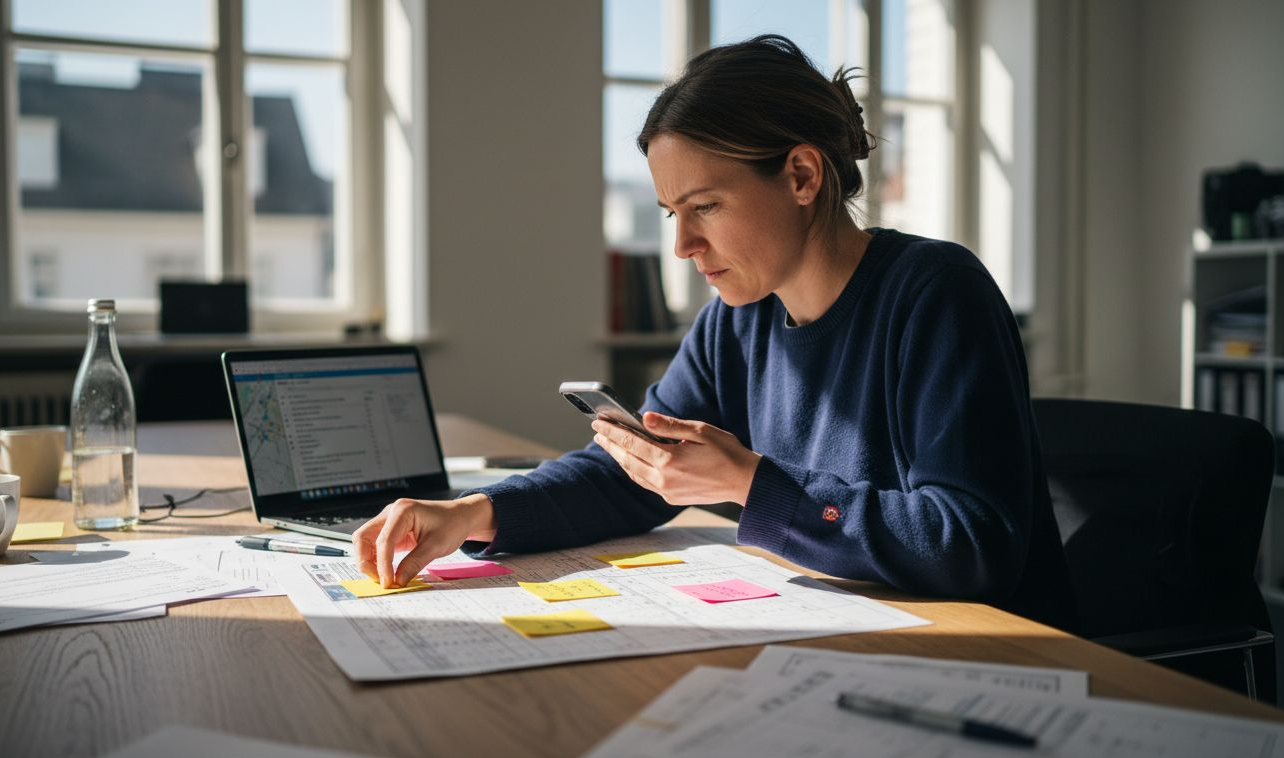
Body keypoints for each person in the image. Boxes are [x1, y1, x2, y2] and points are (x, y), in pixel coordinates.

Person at [354, 34, 1076, 630]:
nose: (684, 246)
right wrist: (474, 512)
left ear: (801, 175)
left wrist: (750, 482)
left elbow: (970, 544)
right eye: (673, 213)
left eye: (705, 205)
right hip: (837, 638)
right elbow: (636, 472)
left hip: (991, 657)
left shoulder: (936, 294)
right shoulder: (738, 319)